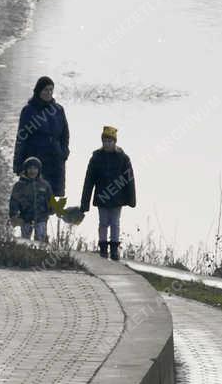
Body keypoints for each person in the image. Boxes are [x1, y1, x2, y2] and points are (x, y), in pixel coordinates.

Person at [80, 125, 136, 261]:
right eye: (105, 141)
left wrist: (131, 199)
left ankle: (114, 249)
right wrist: (84, 203)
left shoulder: (123, 158)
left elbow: (129, 180)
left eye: (110, 141)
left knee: (115, 223)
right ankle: (103, 248)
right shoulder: (96, 157)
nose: (107, 144)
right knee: (103, 222)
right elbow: (89, 181)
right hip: (102, 196)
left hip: (118, 198)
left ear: (115, 142)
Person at [13, 76, 69, 197]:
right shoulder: (28, 110)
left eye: (51, 90)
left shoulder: (58, 109)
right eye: (45, 90)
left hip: (55, 159)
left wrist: (64, 152)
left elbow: (65, 134)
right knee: (35, 199)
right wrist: (18, 164)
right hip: (36, 160)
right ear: (38, 91)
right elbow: (21, 138)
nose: (48, 93)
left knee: (52, 201)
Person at [9, 156, 54, 242]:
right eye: (30, 168)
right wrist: (13, 215)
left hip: (41, 218)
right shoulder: (19, 185)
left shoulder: (45, 185)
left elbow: (50, 199)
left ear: (39, 170)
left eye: (35, 168)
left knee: (40, 241)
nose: (32, 171)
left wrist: (52, 209)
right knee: (25, 242)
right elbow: (14, 201)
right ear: (26, 170)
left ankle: (41, 254)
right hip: (25, 218)